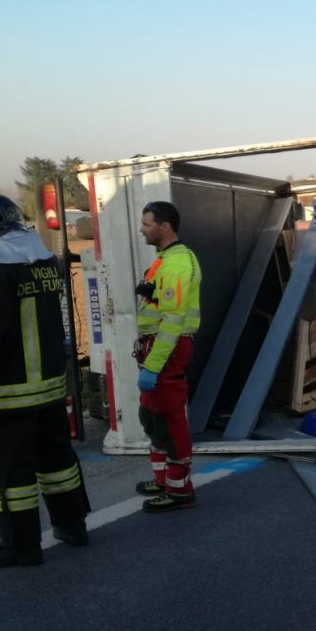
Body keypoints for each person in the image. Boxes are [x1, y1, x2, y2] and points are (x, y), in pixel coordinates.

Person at [0, 194, 91, 567]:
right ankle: (73, 525)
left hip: (10, 396)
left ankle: (21, 545)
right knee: (57, 460)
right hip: (51, 390)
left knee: (13, 474)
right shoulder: (43, 260)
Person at [134, 201, 202, 512]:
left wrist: (153, 365)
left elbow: (172, 322)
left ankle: (179, 491)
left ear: (165, 227)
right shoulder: (166, 260)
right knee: (151, 416)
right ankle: (163, 480)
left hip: (166, 349)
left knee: (168, 419)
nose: (142, 229)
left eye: (147, 224)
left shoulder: (175, 264)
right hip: (158, 348)